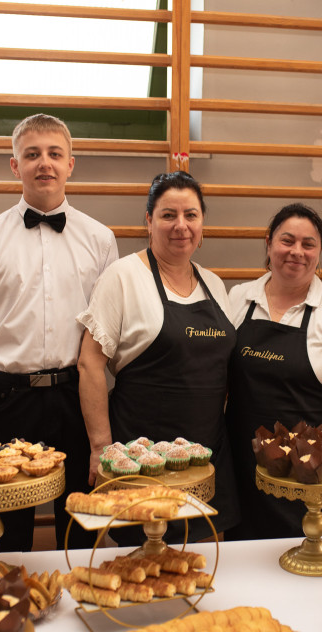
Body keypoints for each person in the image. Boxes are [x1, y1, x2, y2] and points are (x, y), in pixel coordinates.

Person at [0, 114, 118, 551]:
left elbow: (104, 329)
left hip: (76, 396)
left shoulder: (101, 239)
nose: (43, 163)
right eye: (32, 154)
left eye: (54, 153)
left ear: (72, 164)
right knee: (8, 530)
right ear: (15, 166)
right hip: (9, 399)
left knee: (82, 524)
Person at [77, 171, 238, 540]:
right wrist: (100, 447)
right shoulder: (122, 277)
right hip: (141, 459)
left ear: (202, 223)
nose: (180, 226)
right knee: (144, 562)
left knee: (201, 561)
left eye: (191, 215)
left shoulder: (213, 283)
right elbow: (89, 364)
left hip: (207, 456)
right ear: (148, 220)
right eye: (168, 215)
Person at [225, 203, 322, 540]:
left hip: (307, 475)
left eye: (309, 244)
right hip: (241, 466)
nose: (297, 252)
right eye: (287, 241)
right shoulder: (238, 299)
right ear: (268, 243)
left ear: (319, 252)